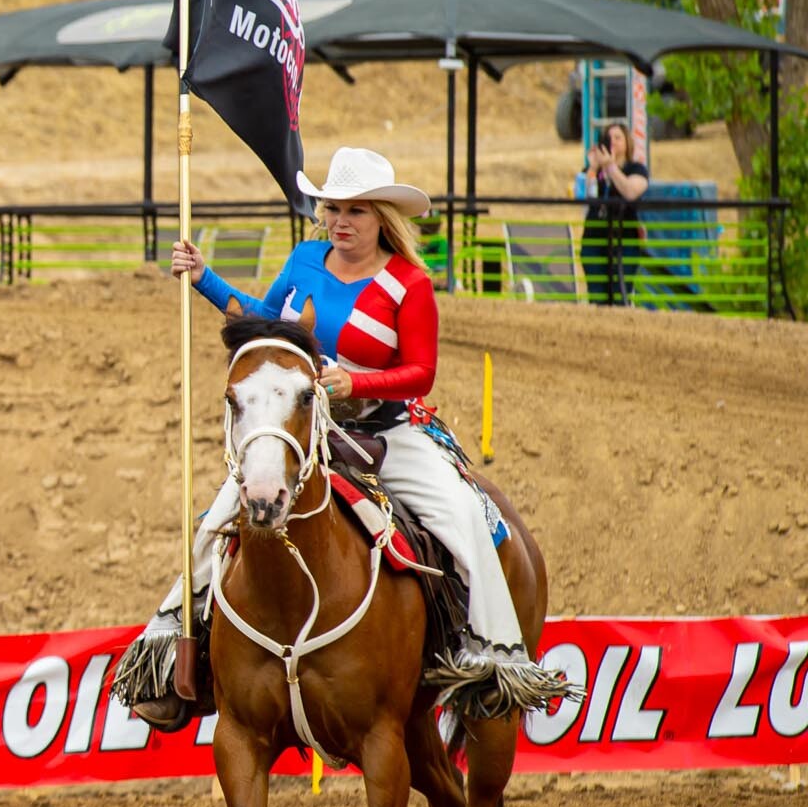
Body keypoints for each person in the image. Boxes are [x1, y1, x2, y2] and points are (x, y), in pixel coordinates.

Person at [127, 146, 540, 723]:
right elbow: (263, 320)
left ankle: (491, 662)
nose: (342, 221)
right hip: (305, 431)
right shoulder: (302, 259)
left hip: (386, 433)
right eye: (333, 208)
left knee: (465, 519)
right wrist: (205, 277)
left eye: (357, 211)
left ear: (383, 218)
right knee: (215, 521)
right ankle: (170, 656)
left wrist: (357, 381)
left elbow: (422, 372)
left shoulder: (408, 285)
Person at [581, 119, 649, 306]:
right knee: (597, 298)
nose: (613, 141)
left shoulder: (636, 169)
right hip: (595, 240)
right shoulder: (592, 171)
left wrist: (611, 167)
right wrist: (594, 168)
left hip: (624, 240)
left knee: (620, 294)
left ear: (627, 142)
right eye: (609, 137)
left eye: (618, 137)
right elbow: (587, 198)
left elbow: (630, 191)